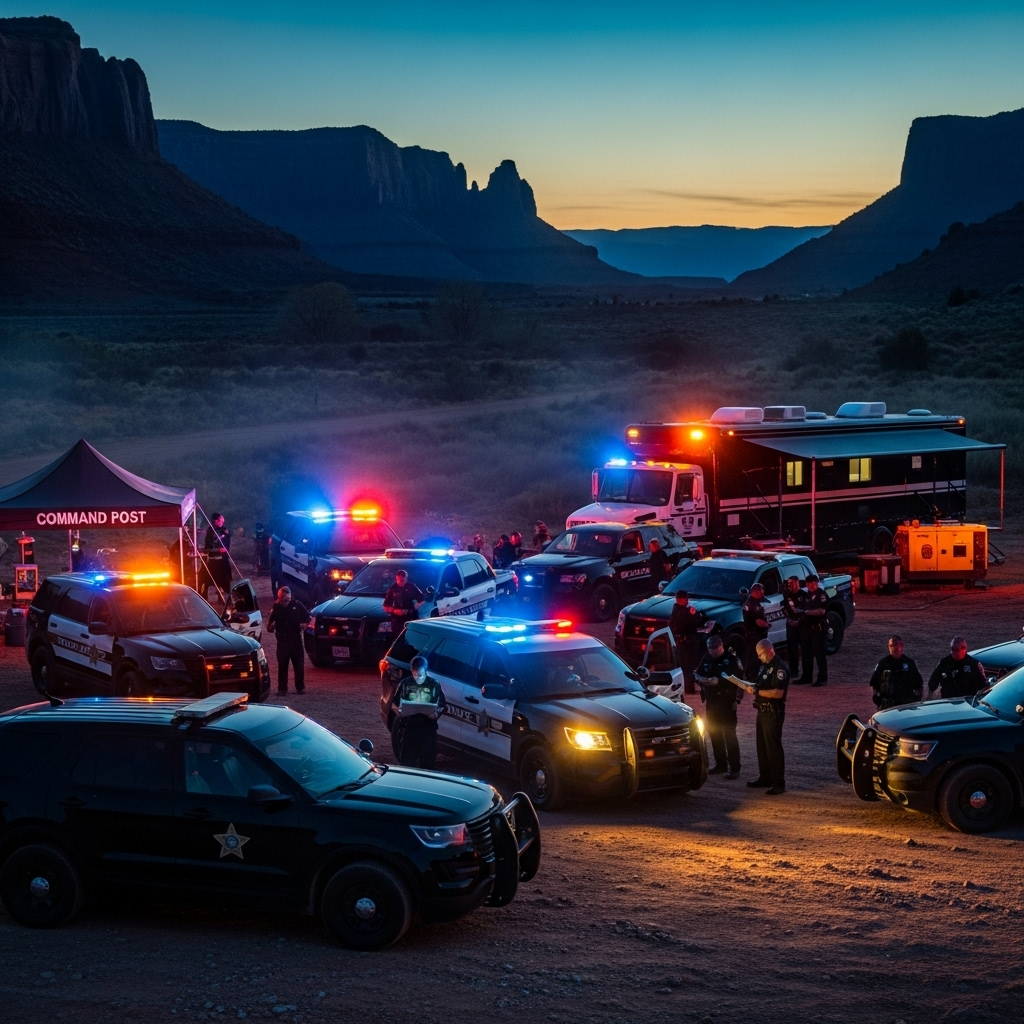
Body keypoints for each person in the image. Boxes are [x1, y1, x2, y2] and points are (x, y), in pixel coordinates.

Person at [726, 639, 789, 795]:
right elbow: (759, 684)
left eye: (761, 654)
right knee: (761, 746)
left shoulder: (780, 669)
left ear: (769, 650)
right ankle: (765, 777)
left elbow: (777, 693)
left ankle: (778, 782)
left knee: (773, 747)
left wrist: (756, 692)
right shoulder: (765, 667)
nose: (759, 657)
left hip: (773, 712)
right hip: (762, 711)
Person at [693, 634, 743, 778]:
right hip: (712, 702)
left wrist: (719, 681)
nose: (713, 652)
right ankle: (721, 764)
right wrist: (700, 679)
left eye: (715, 649)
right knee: (715, 734)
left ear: (722, 646)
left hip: (727, 702)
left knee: (730, 735)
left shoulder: (732, 660)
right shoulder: (707, 658)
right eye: (710, 649)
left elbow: (739, 680)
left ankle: (735, 768)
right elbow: (699, 672)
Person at [391, 655, 447, 769]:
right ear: (412, 671)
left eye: (420, 675)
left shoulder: (434, 684)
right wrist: (399, 711)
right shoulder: (405, 684)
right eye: (415, 674)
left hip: (428, 731)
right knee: (407, 765)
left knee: (427, 765)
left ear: (425, 671)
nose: (418, 678)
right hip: (409, 730)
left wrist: (436, 714)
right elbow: (394, 703)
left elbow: (442, 704)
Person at [266, 586, 310, 695]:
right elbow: (269, 625)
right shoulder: (276, 607)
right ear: (279, 598)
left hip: (295, 639)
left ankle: (300, 687)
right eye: (283, 599)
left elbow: (308, 618)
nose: (285, 602)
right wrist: (271, 627)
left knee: (299, 664)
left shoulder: (297, 605)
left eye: (287, 599)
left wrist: (304, 625)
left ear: (290, 597)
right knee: (282, 664)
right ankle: (282, 689)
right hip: (283, 640)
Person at [870, 635, 924, 709]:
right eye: (893, 645)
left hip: (906, 703)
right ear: (889, 647)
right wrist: (878, 701)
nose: (896, 648)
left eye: (899, 645)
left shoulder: (909, 662)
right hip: (888, 704)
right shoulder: (883, 663)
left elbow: (919, 683)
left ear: (902, 646)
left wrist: (915, 700)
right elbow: (874, 683)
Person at [669, 590, 707, 694]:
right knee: (688, 667)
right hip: (686, 643)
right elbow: (699, 621)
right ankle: (689, 689)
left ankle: (687, 687)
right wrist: (701, 614)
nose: (687, 600)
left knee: (684, 666)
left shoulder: (674, 610)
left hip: (679, 642)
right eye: (686, 598)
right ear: (683, 599)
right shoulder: (685, 612)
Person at [799, 574, 828, 687]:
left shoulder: (821, 595)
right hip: (807, 627)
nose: (810, 585)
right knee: (806, 653)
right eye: (808, 583)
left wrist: (807, 612)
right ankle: (806, 676)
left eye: (812, 583)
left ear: (816, 583)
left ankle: (822, 678)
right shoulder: (807, 595)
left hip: (818, 628)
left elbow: (821, 611)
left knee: (819, 653)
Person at [383, 569, 425, 636]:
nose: (400, 582)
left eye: (402, 580)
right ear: (396, 579)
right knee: (397, 637)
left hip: (411, 617)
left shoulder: (412, 587)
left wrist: (416, 606)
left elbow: (422, 599)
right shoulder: (392, 589)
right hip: (397, 619)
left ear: (406, 578)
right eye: (398, 580)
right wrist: (395, 611)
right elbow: (385, 606)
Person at [740, 583, 769, 678]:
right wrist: (766, 625)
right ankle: (751, 676)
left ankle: (752, 675)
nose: (762, 595)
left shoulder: (752, 602)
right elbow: (757, 620)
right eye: (761, 593)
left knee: (753, 656)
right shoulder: (751, 604)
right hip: (754, 635)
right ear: (755, 592)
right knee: (754, 656)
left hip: (754, 634)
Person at [203, 513, 232, 604]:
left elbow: (227, 539)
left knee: (226, 580)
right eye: (220, 520)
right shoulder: (210, 531)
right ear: (216, 521)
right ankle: (204, 600)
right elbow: (208, 547)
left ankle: (226, 598)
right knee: (208, 579)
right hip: (213, 560)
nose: (222, 522)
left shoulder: (224, 530)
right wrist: (217, 550)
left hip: (222, 560)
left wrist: (225, 536)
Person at [782, 576, 804, 681]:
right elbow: (784, 609)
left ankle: (806, 673)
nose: (790, 585)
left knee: (804, 649)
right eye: (789, 583)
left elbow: (805, 609)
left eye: (792, 583)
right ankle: (793, 671)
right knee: (792, 649)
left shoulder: (803, 595)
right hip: (791, 624)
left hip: (802, 624)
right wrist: (789, 619)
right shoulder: (787, 596)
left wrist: (799, 621)